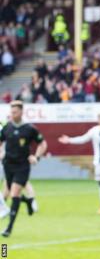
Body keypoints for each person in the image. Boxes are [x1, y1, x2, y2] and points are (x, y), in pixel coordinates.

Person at [0, 101, 48, 237]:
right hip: (7, 164)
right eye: (11, 112)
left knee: (14, 193)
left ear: (21, 112)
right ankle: (27, 201)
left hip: (22, 166)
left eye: (15, 112)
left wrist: (36, 157)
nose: (12, 114)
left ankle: (9, 228)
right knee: (10, 194)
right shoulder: (7, 127)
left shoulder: (29, 128)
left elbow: (42, 144)